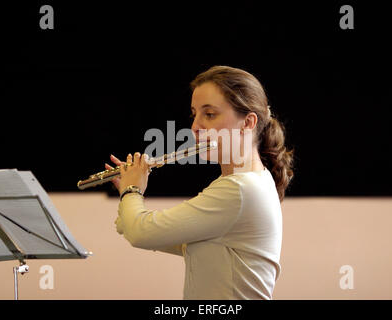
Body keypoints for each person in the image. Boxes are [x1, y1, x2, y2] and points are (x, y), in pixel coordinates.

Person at [105, 66, 294, 300]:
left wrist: (131, 191)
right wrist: (129, 207)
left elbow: (140, 233)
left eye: (210, 114)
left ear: (247, 123)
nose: (195, 126)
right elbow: (175, 238)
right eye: (194, 114)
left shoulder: (240, 190)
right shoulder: (249, 181)